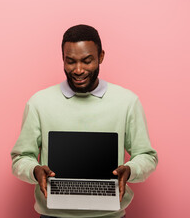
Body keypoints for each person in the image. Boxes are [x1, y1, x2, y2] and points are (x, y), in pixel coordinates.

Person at [10, 24, 158, 218]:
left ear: (101, 57)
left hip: (109, 215)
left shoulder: (127, 102)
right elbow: (20, 158)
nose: (78, 70)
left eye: (87, 61)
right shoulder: (39, 103)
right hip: (53, 214)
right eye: (70, 61)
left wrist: (130, 170)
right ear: (62, 58)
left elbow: (147, 155)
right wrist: (34, 170)